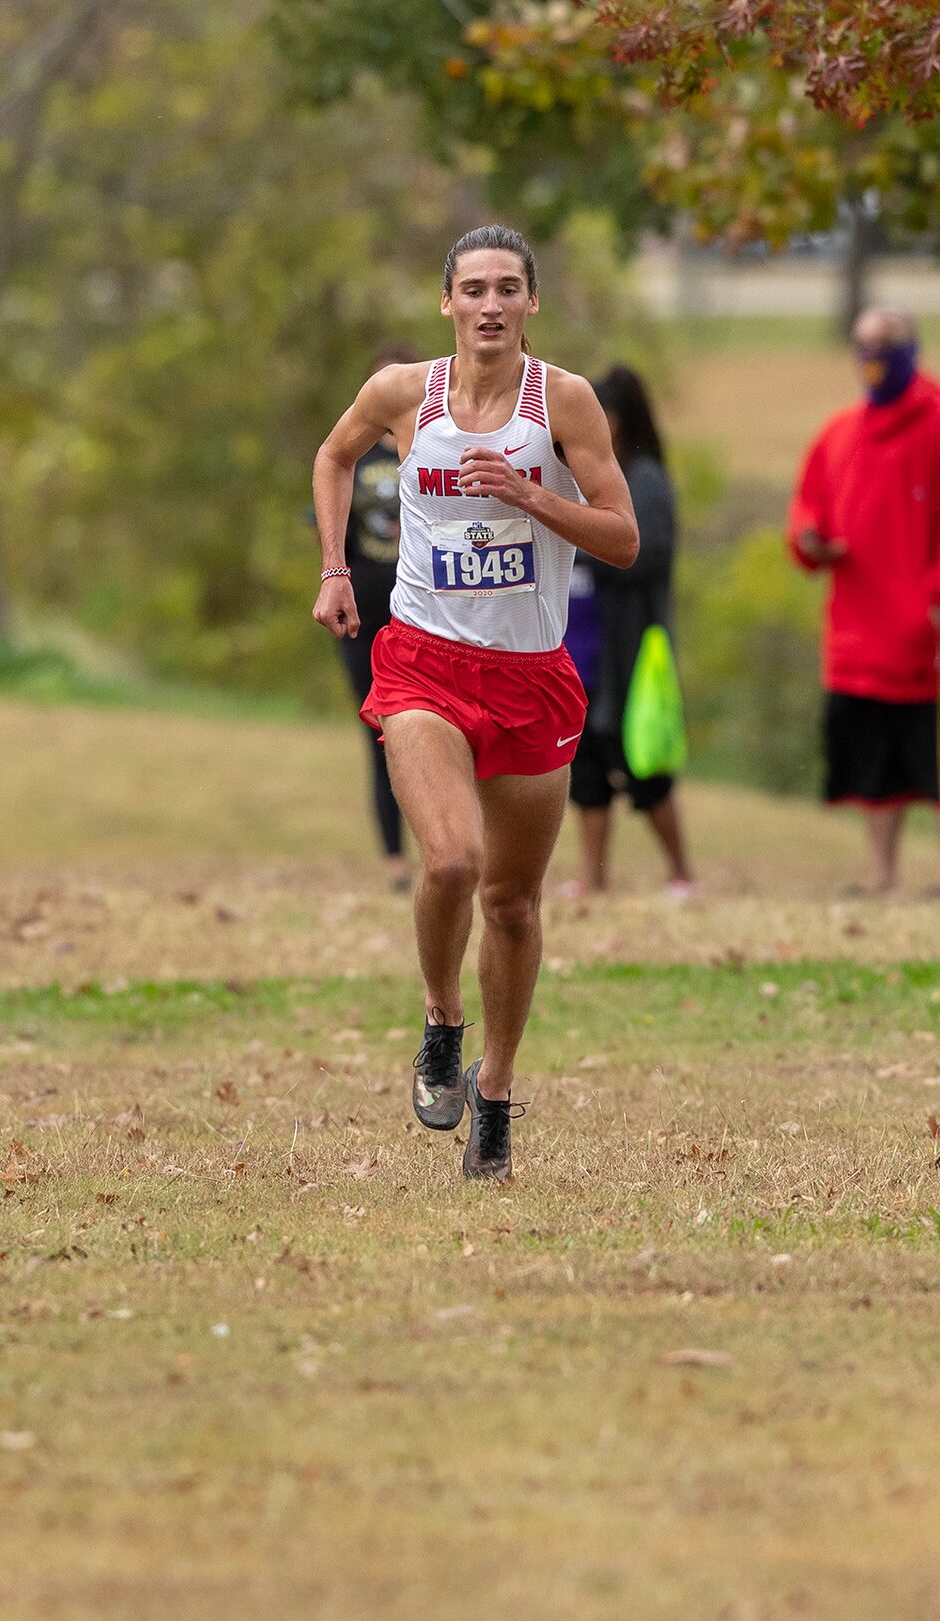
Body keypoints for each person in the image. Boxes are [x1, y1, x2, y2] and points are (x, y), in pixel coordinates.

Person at [309, 224, 638, 1180]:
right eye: (473, 289)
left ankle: (494, 1089)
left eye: (508, 289)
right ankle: (442, 1025)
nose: (489, 305)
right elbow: (334, 458)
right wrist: (335, 569)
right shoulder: (402, 394)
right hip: (421, 660)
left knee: (513, 900)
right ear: (446, 302)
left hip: (531, 676)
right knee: (452, 862)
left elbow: (621, 539)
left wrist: (535, 498)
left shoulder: (564, 402)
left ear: (532, 303)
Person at [788, 307, 940, 898]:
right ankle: (881, 873)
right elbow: (808, 507)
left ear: (911, 348)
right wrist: (809, 540)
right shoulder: (839, 432)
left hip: (934, 635)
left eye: (884, 344)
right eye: (861, 345)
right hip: (858, 633)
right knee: (873, 766)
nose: (871, 356)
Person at [564, 364, 695, 899]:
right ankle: (593, 877)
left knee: (641, 765)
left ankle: (681, 871)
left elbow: (649, 557)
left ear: (616, 419)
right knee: (584, 767)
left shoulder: (644, 479)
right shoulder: (578, 474)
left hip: (628, 648)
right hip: (580, 647)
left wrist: (589, 549)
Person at [335, 342, 413, 891]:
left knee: (436, 730)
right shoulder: (351, 458)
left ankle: (450, 849)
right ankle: (394, 861)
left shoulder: (432, 448)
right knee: (379, 732)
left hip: (422, 613)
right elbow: (331, 534)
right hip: (363, 617)